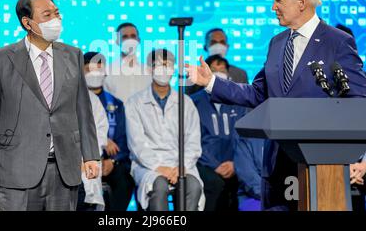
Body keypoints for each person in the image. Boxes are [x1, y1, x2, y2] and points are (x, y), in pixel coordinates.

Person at [187, 0, 366, 211]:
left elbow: (357, 103)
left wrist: (357, 156)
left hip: (322, 164)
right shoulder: (277, 43)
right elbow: (258, 94)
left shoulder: (337, 42)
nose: (273, 7)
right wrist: (211, 83)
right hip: (276, 162)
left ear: (301, 2)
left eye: (278, 0)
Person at [0, 0, 100, 211]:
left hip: (65, 167)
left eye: (57, 13)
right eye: (47, 15)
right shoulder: (1, 59)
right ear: (27, 23)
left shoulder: (73, 55)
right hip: (18, 166)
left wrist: (90, 155)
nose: (56, 19)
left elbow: (83, 109)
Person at [126, 49, 204, 211]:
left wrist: (182, 166)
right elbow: (137, 144)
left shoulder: (186, 103)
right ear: (149, 69)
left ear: (174, 69)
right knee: (159, 186)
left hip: (181, 164)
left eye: (167, 65)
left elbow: (193, 141)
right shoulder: (135, 103)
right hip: (148, 165)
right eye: (158, 65)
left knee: (193, 186)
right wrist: (158, 167)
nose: (163, 70)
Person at [191, 55, 246, 211]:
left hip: (236, 163)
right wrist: (215, 165)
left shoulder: (240, 101)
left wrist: (235, 163)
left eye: (222, 70)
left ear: (229, 75)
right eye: (213, 70)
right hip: (204, 164)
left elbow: (245, 139)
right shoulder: (193, 102)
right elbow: (192, 141)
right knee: (215, 185)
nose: (218, 73)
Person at [83, 51, 135, 211]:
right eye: (89, 69)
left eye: (99, 69)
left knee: (125, 180)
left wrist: (112, 162)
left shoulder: (116, 104)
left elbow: (124, 139)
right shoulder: (73, 100)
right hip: (83, 161)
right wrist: (103, 141)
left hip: (111, 162)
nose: (95, 74)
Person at [103, 23, 152, 103]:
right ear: (117, 42)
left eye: (133, 36)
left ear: (138, 40)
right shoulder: (107, 71)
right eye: (125, 37)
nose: (130, 40)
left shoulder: (149, 72)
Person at [77, 91, 109, 211]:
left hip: (84, 168)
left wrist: (85, 159)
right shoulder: (49, 94)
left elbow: (99, 134)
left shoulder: (92, 99)